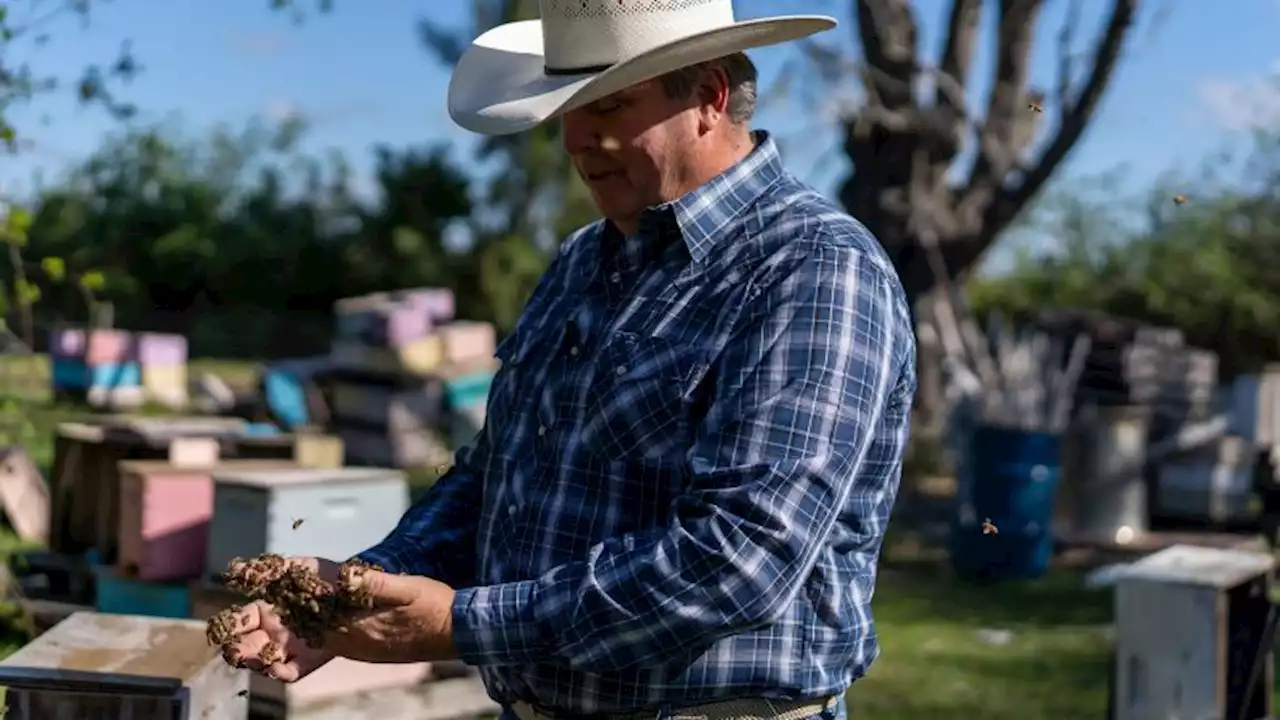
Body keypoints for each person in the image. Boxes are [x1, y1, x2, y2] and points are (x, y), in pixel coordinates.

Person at [220, 1, 916, 718]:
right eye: (567, 110)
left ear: (708, 97)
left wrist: (460, 624)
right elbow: (498, 479)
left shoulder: (813, 270)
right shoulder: (581, 261)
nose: (577, 139)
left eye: (610, 107)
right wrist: (359, 591)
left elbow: (738, 559)